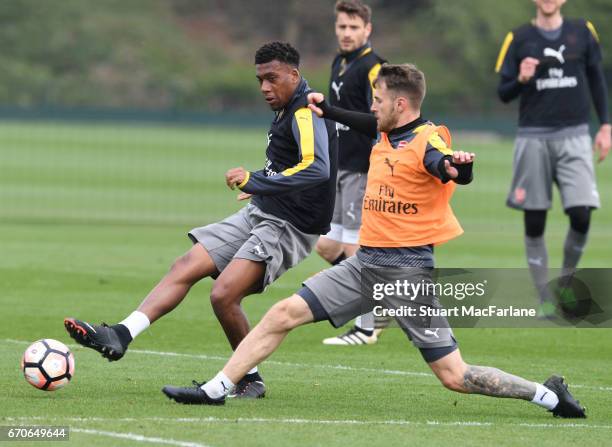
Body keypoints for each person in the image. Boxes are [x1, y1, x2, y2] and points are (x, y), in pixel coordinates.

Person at [161, 63, 586, 419]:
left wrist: (459, 168)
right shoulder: (387, 133)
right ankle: (217, 388)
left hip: (405, 275)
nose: (372, 107)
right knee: (282, 313)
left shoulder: (427, 140)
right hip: (364, 265)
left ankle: (547, 394)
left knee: (455, 376)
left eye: (379, 100)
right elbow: (365, 121)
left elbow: (445, 165)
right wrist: (328, 109)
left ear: (400, 104)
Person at [64, 41, 338, 400]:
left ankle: (248, 379)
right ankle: (121, 333)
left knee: (224, 294)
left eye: (272, 79)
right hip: (263, 210)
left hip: (290, 227)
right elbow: (290, 165)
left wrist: (258, 181)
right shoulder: (287, 107)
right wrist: (263, 184)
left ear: (294, 75)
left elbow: (318, 167)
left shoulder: (305, 109)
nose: (265, 88)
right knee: (187, 264)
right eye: (260, 80)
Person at [495, 0, 610, 316]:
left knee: (582, 213)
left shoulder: (582, 32)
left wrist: (606, 126)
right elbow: (503, 92)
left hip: (574, 135)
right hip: (533, 136)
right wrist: (520, 78)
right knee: (535, 218)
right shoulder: (517, 38)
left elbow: (597, 80)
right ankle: (543, 293)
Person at [316, 0, 385, 346]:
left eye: (353, 27)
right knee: (327, 247)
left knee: (355, 247)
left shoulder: (374, 68)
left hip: (364, 167)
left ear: (367, 30)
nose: (346, 33)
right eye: (342, 26)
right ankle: (375, 300)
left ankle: (367, 327)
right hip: (340, 165)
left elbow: (384, 118)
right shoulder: (340, 62)